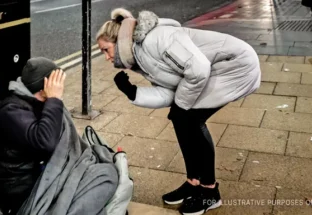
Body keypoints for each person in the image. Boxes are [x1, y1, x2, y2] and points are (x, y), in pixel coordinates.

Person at [96, 8, 261, 215]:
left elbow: (198, 69)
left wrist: (181, 107)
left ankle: (210, 192)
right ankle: (193, 182)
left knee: (190, 119)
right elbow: (170, 91)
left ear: (119, 41)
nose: (106, 57)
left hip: (235, 66)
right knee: (181, 118)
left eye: (105, 49)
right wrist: (133, 92)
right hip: (214, 70)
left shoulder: (155, 39)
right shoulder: (139, 55)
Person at [0, 57, 119, 214]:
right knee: (105, 177)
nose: (60, 90)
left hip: (47, 174)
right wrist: (54, 100)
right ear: (44, 88)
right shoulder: (10, 111)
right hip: (30, 192)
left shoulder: (37, 102)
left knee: (106, 172)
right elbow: (45, 141)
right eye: (56, 86)